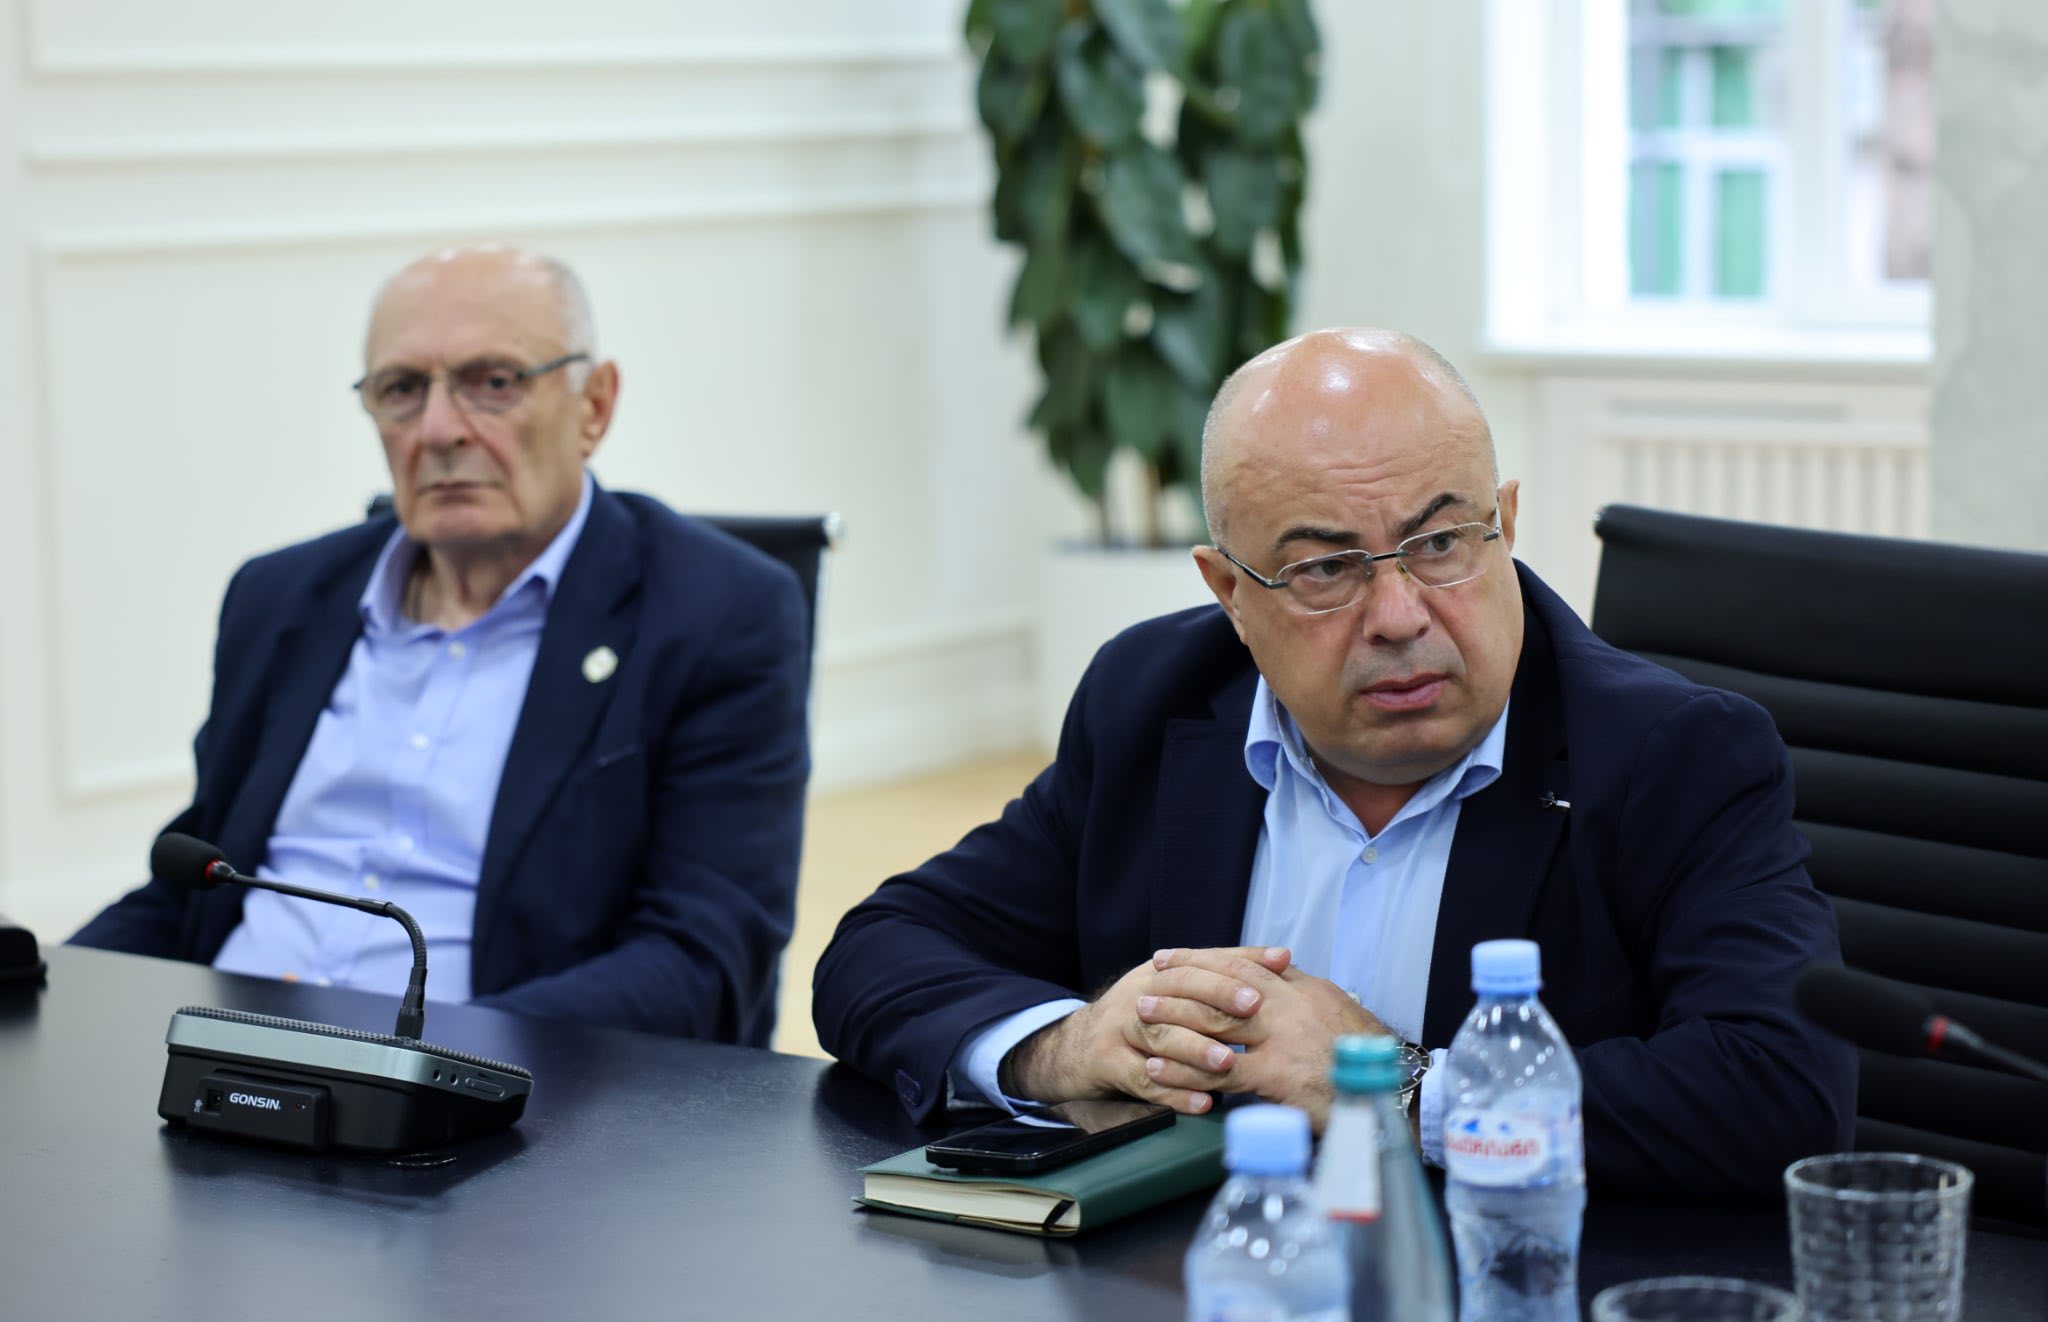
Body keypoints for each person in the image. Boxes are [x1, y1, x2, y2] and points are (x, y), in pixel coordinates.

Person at [813, 328, 1854, 1197]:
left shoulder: (1671, 753)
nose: (1399, 616)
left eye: (1441, 543)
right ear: (1230, 592)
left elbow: (1781, 1088)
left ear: (1505, 523)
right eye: (1324, 569)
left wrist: (1395, 1088)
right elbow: (881, 949)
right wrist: (1070, 1045)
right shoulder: (1154, 701)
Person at [72, 245, 810, 1045]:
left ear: (593, 406)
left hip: (503, 1088)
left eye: (493, 382)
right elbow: (192, 890)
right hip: (224, 1059)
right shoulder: (280, 597)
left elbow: (700, 963)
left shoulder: (716, 613)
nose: (438, 429)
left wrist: (431, 1057)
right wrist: (43, 985)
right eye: (401, 389)